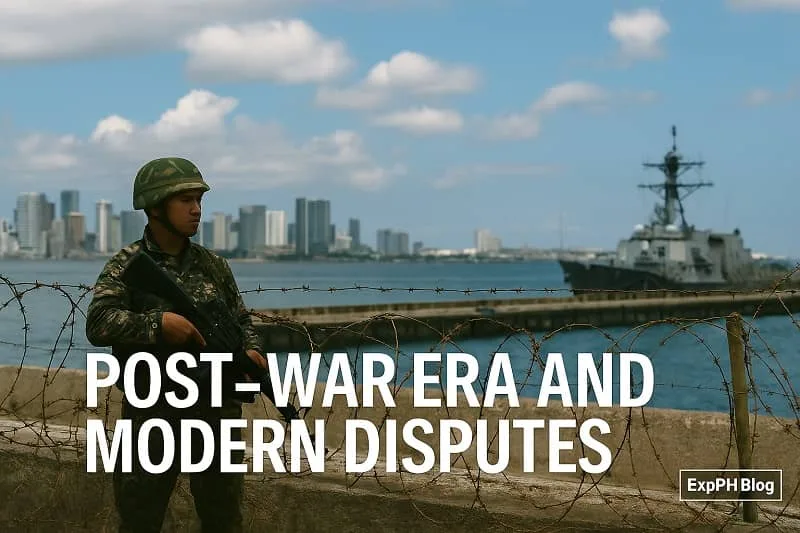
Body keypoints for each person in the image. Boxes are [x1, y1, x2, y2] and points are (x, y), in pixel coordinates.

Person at [85, 157, 267, 533]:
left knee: (223, 520)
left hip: (215, 415)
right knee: (140, 520)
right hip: (153, 416)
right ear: (154, 206)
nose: (196, 209)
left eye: (199, 199)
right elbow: (99, 322)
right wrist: (159, 325)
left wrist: (252, 351)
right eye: (185, 200)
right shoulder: (127, 265)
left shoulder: (214, 266)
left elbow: (241, 320)